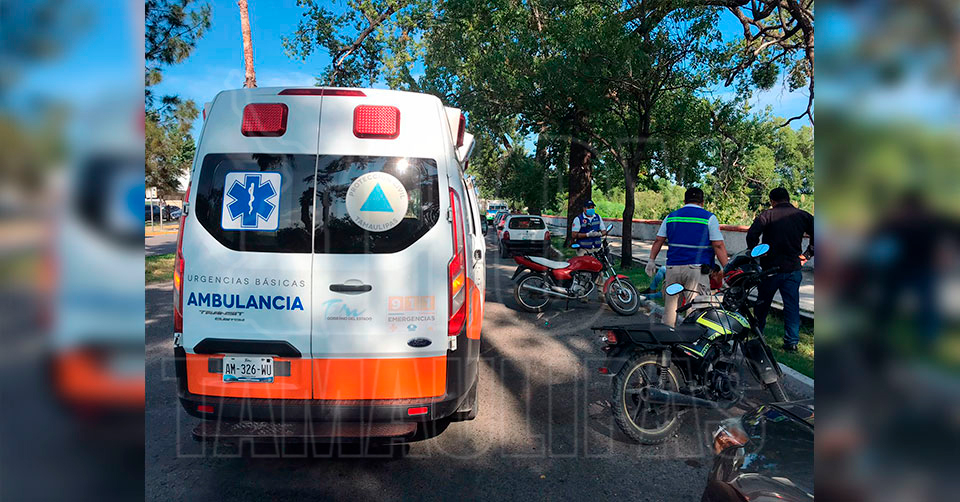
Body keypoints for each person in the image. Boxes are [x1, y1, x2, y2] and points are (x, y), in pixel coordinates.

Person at [646, 187, 728, 327]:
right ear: (702, 202)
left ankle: (667, 336)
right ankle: (690, 338)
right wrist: (727, 267)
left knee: (670, 309)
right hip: (696, 272)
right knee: (695, 309)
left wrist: (651, 260)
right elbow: (718, 245)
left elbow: (659, 240)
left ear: (684, 201)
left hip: (673, 269)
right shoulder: (709, 218)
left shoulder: (671, 217)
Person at [746, 187, 814, 352]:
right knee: (792, 305)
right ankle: (792, 342)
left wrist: (756, 251)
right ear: (788, 199)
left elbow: (752, 235)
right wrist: (807, 255)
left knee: (762, 303)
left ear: (772, 201)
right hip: (793, 267)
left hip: (770, 268)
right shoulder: (803, 215)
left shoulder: (767, 215)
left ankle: (758, 334)